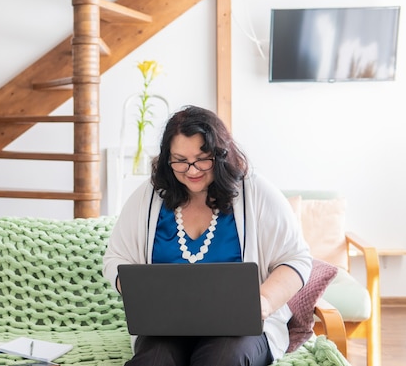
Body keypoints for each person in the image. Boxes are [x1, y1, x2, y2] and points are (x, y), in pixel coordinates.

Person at [103, 105, 311, 366]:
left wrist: (265, 301)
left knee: (221, 360)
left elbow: (297, 259)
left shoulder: (256, 192)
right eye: (180, 160)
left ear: (221, 154)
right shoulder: (149, 197)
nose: (192, 170)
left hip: (239, 330)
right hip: (166, 327)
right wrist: (140, 295)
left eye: (202, 158)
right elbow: (115, 259)